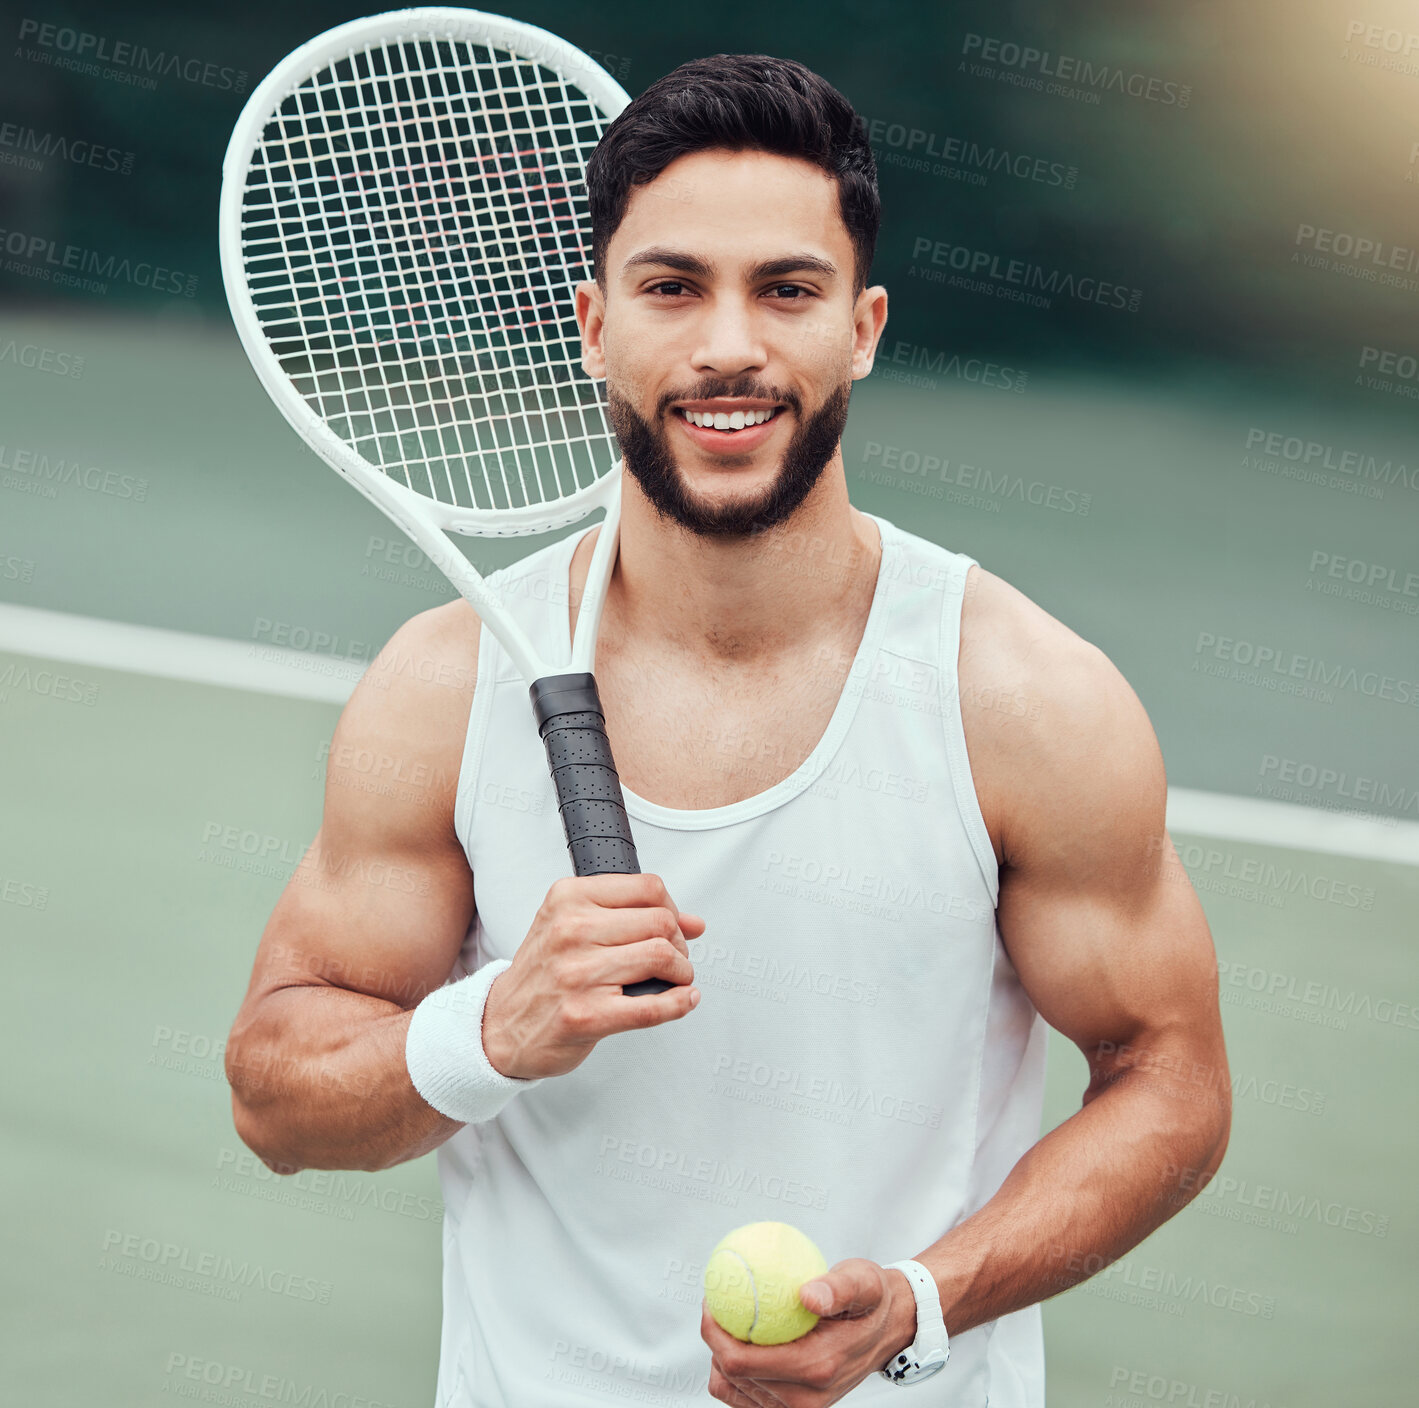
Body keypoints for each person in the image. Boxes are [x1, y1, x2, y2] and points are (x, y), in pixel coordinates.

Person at [225, 52, 1230, 1407]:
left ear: (863, 327)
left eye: (788, 290)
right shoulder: (441, 687)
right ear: (592, 323)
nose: (729, 347)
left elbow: (1170, 1080)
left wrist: (927, 1301)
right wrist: (490, 1028)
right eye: (671, 286)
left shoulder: (1027, 699)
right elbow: (276, 1098)